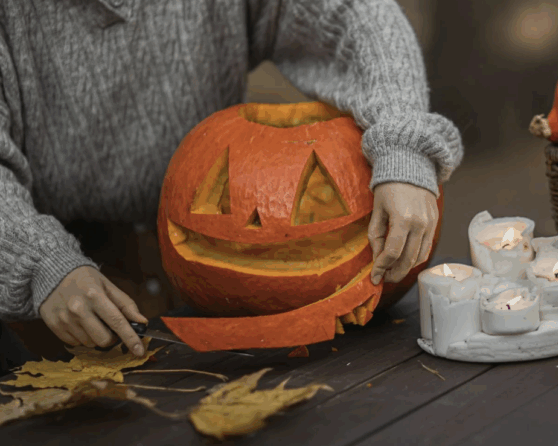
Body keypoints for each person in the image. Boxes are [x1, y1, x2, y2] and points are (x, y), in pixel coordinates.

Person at [0, 0, 463, 367]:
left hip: (200, 292)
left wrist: (402, 142)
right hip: (58, 299)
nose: (264, 223)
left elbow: (349, 13)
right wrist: (37, 259)